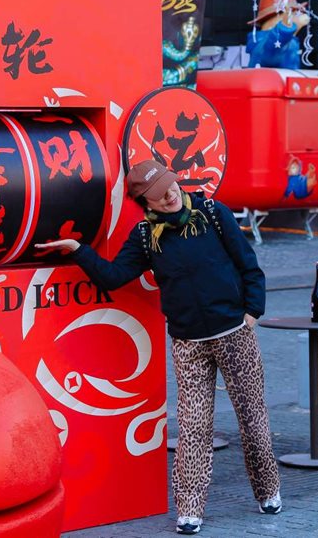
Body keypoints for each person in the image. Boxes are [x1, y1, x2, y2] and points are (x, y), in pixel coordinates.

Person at [35, 159, 281, 535]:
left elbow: (249, 265)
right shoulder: (146, 236)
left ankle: (268, 491)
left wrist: (252, 313)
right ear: (145, 204)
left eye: (169, 187)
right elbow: (114, 277)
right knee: (194, 427)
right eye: (158, 197)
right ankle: (190, 510)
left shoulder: (213, 213)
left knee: (252, 419)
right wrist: (79, 250)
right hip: (188, 342)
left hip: (234, 332)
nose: (169, 198)